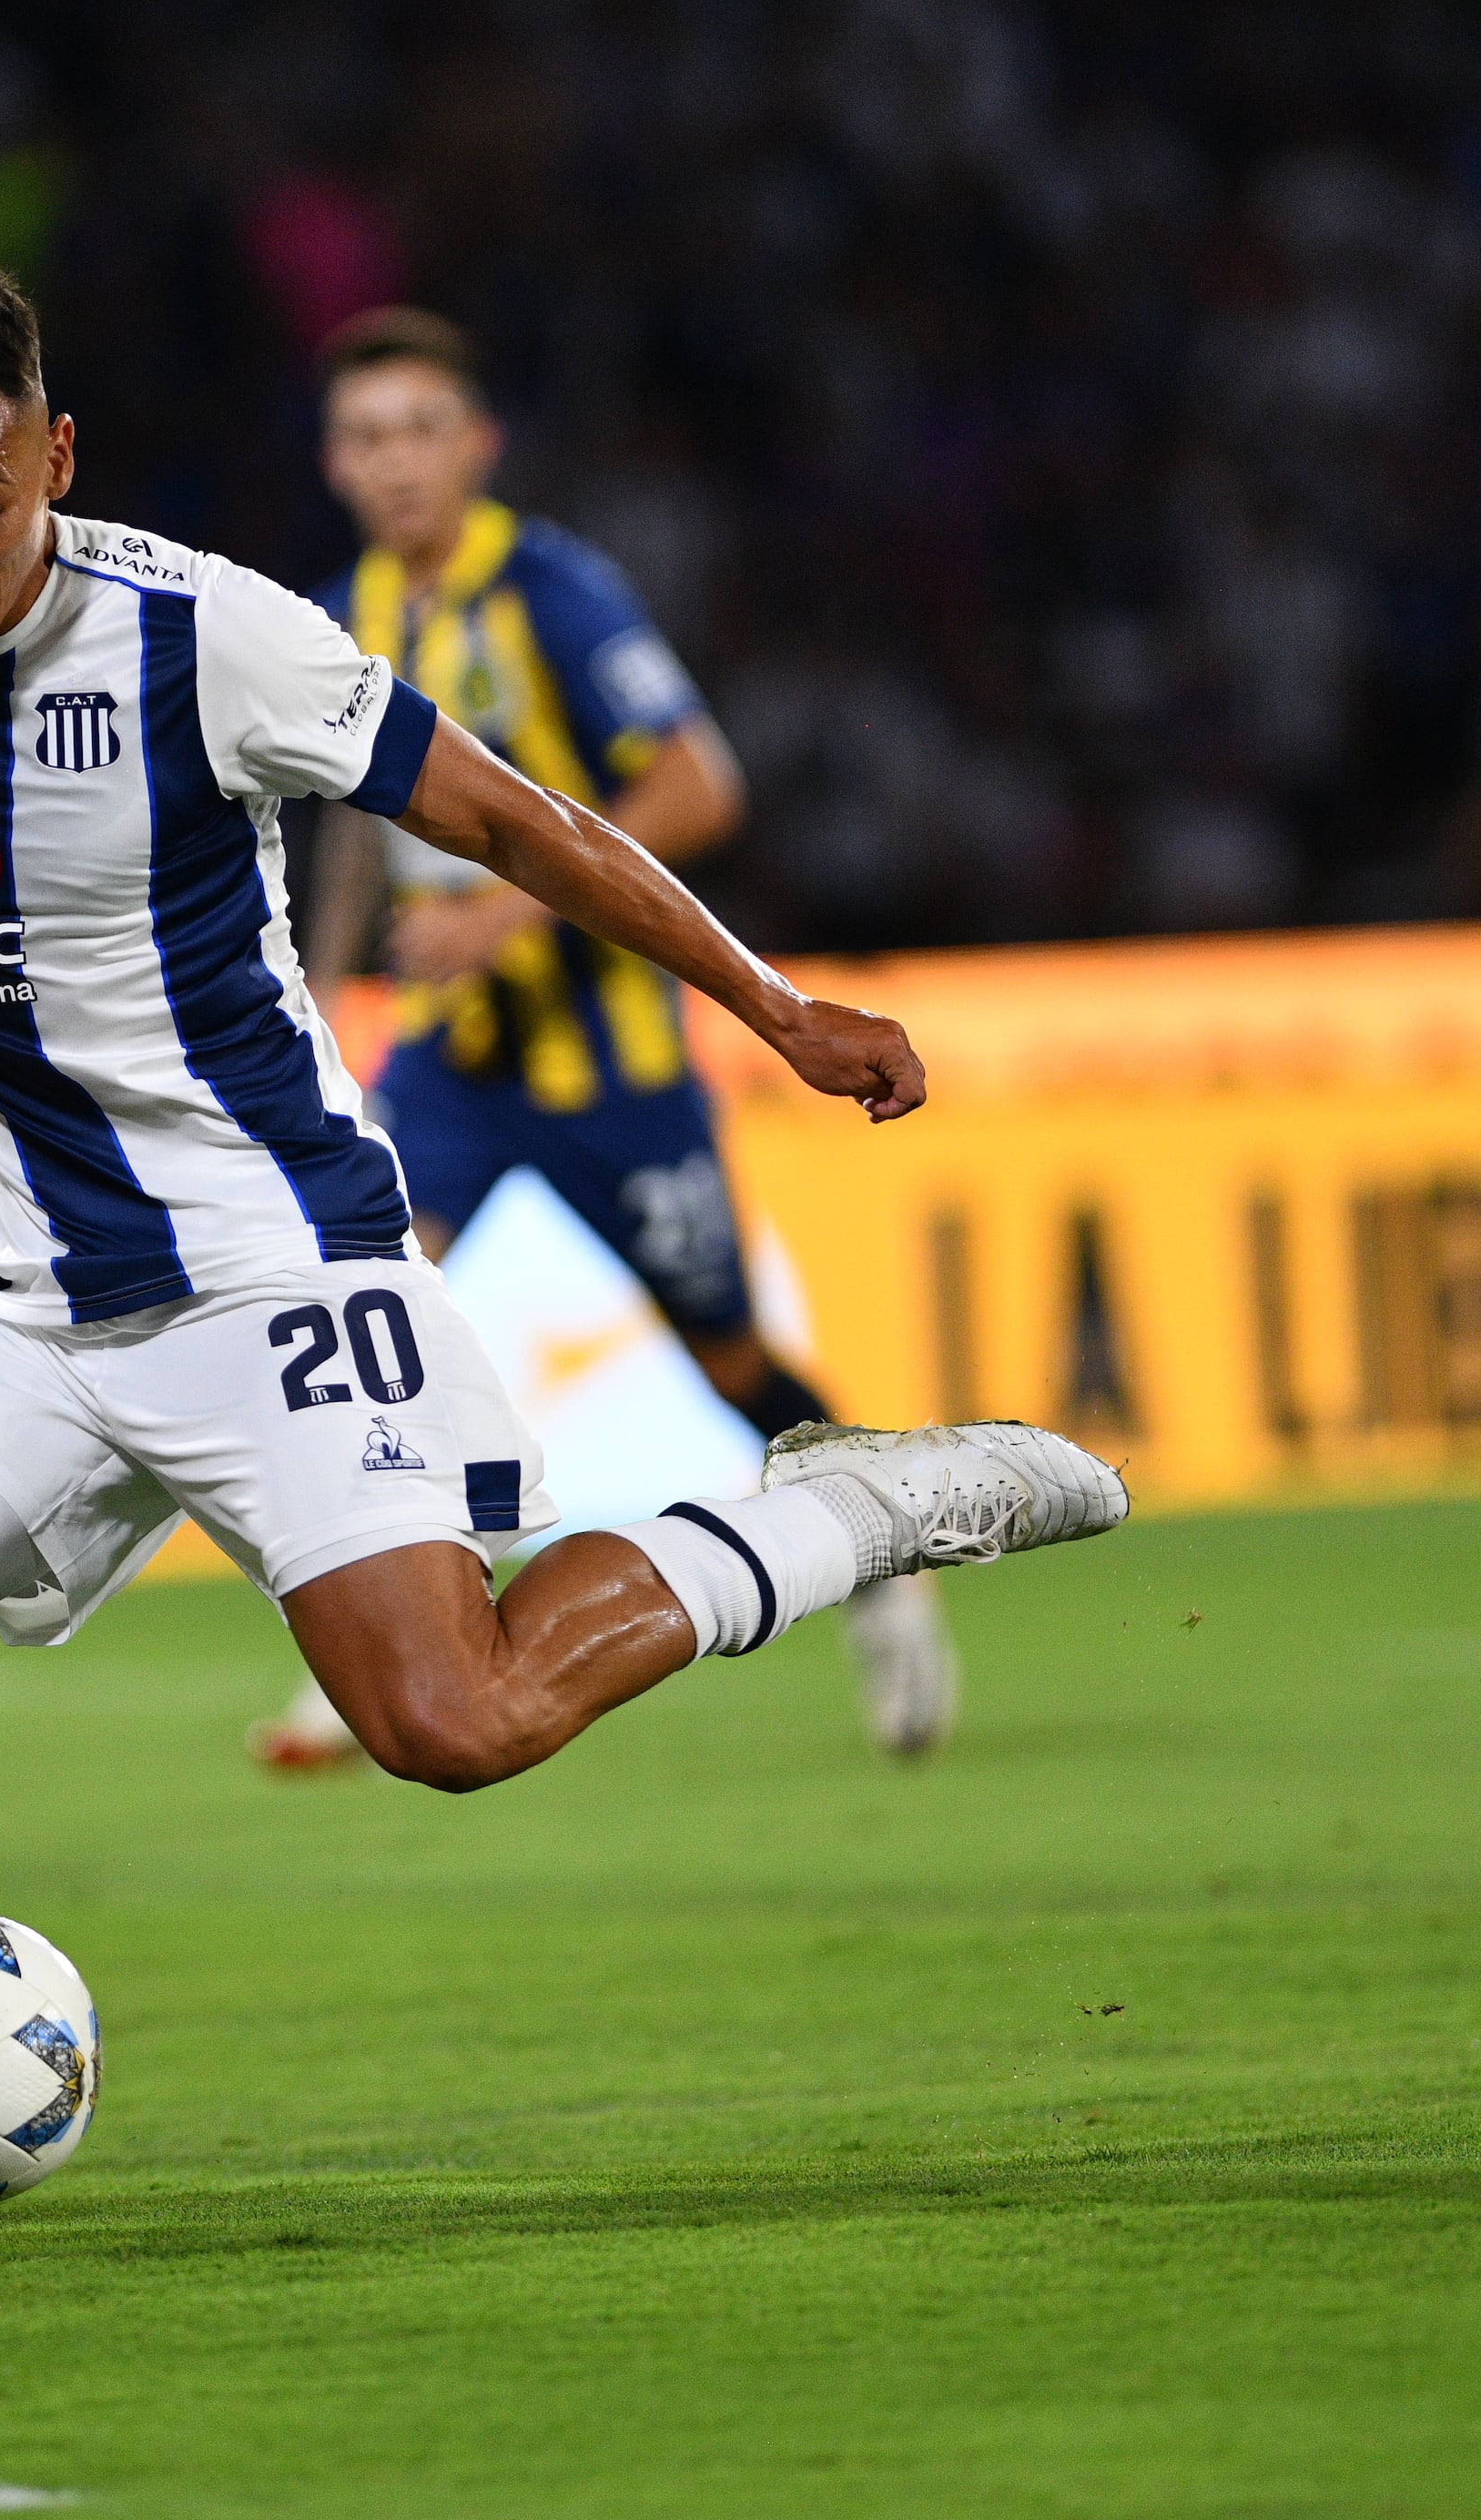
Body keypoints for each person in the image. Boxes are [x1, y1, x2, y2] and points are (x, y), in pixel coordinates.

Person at [0, 257, 1127, 2265]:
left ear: (53, 459)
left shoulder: (206, 637)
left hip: (273, 1273)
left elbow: (513, 822)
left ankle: (846, 1503)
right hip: (23, 1305)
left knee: (454, 1717)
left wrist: (773, 1005)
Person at [246, 308, 962, 1768]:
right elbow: (357, 828)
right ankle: (388, 1641)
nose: (393, 463)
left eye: (419, 431)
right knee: (363, 1316)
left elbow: (702, 785)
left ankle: (885, 1561)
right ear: (334, 459)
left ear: (477, 444)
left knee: (728, 1356)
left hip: (612, 1062)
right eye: (366, 436)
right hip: (447, 1066)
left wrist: (502, 926)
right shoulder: (333, 617)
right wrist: (322, 986)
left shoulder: (557, 593)